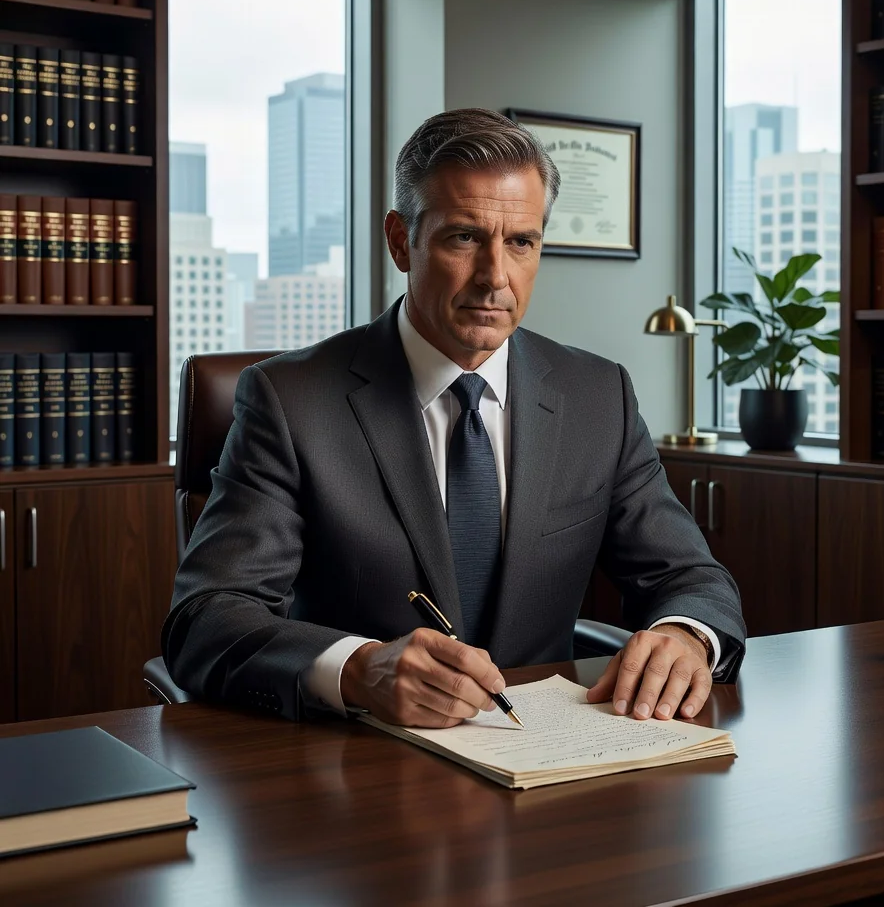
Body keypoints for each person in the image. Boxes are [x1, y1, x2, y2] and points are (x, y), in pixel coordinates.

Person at [163, 108, 745, 729]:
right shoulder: (291, 399)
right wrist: (357, 668)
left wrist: (686, 636)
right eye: (463, 238)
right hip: (362, 762)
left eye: (521, 242)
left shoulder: (597, 395)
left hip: (548, 757)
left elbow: (690, 575)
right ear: (399, 241)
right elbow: (210, 616)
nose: (496, 276)